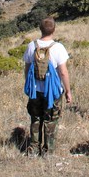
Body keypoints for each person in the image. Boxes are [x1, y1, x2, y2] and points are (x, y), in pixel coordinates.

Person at [23, 17, 72, 156]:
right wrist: (68, 91)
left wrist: (29, 84)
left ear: (40, 29)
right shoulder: (58, 48)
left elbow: (27, 68)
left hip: (35, 91)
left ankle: (33, 149)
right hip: (53, 92)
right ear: (54, 30)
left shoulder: (31, 46)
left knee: (35, 118)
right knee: (51, 120)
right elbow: (63, 72)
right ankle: (48, 151)